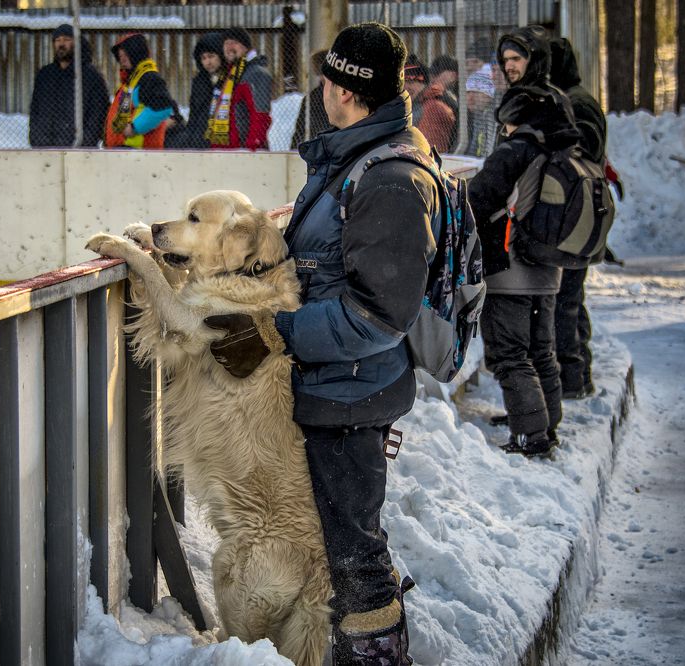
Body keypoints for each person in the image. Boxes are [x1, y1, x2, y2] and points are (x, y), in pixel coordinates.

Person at [205, 22, 435, 664]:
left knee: (353, 551)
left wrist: (275, 332)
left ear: (350, 91)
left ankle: (377, 655)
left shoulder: (387, 178)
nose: (322, 88)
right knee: (343, 542)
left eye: (331, 79)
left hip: (353, 391)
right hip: (339, 385)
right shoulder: (356, 154)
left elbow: (378, 315)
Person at [468, 28, 581, 457]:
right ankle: (544, 421)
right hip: (546, 262)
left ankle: (530, 435)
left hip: (510, 265)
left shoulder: (514, 151)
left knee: (509, 352)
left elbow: (479, 198)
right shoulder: (556, 147)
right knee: (541, 349)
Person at [549, 36, 608, 399]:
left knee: (565, 301)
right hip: (578, 215)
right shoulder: (574, 99)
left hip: (576, 215)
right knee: (570, 298)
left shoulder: (576, 104)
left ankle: (573, 377)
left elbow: (580, 156)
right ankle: (577, 373)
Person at [29, 24, 109, 148]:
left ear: (76, 43)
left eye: (66, 40)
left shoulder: (91, 76)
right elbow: (35, 110)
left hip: (79, 150)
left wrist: (86, 141)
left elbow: (98, 113)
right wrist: (36, 139)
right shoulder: (45, 75)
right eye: (57, 40)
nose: (61, 44)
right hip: (45, 148)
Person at [104, 32, 177, 150]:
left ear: (136, 53)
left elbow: (162, 107)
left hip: (140, 150)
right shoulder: (132, 80)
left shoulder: (148, 78)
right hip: (126, 148)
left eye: (125, 55)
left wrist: (134, 128)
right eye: (120, 56)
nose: (122, 60)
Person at [207, 27, 272, 150]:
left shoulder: (254, 73)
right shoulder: (227, 75)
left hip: (244, 151)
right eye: (226, 43)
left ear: (246, 47)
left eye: (234, 43)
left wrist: (253, 146)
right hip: (225, 150)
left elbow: (260, 114)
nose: (229, 47)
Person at [166, 32, 226, 149]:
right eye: (203, 58)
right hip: (197, 136)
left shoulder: (229, 79)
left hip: (219, 137)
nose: (208, 62)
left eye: (211, 56)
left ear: (220, 55)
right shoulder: (199, 82)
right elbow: (194, 114)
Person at [411, 56, 456, 153]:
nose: (433, 78)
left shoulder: (434, 106)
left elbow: (428, 151)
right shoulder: (412, 103)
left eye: (411, 81)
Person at [290, 49, 333, 148]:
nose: (323, 78)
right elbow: (300, 128)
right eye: (320, 74)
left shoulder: (311, 97)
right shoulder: (311, 98)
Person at [464, 65, 497, 157]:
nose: (470, 98)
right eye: (468, 92)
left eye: (476, 92)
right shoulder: (477, 115)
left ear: (489, 95)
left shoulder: (494, 117)